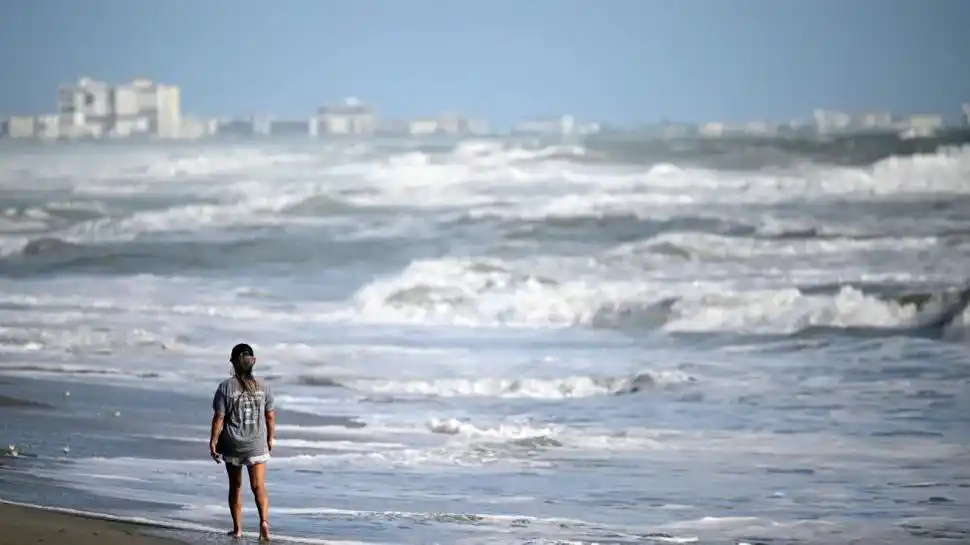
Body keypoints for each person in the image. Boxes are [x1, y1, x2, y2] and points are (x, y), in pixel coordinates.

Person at [209, 343, 276, 541]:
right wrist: (270, 439)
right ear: (253, 362)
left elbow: (219, 418)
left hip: (233, 444)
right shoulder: (264, 386)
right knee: (258, 487)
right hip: (256, 444)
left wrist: (213, 441)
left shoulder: (225, 387)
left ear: (233, 362)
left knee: (235, 487)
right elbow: (270, 416)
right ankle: (263, 521)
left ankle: (238, 529)